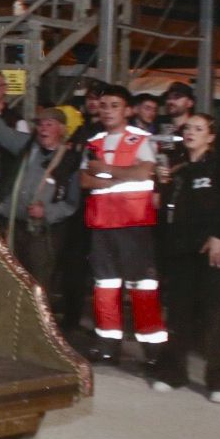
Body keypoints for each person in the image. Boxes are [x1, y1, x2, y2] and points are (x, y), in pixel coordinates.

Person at [78, 84, 167, 370]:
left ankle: (153, 348)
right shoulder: (94, 141)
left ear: (128, 110)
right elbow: (84, 180)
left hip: (133, 222)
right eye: (104, 105)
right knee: (105, 285)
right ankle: (108, 346)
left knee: (142, 285)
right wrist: (111, 177)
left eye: (114, 105)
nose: (107, 111)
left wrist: (106, 172)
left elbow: (144, 171)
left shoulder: (141, 139)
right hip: (102, 223)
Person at [153, 114, 220, 401]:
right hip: (180, 249)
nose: (191, 132)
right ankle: (172, 372)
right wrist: (162, 186)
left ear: (211, 136)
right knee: (178, 313)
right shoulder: (178, 166)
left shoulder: (219, 165)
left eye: (199, 128)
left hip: (211, 249)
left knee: (216, 314)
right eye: (188, 127)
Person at [0, 99, 81, 314]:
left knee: (38, 282)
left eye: (49, 124)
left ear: (61, 129)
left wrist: (47, 212)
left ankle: (38, 329)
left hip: (41, 232)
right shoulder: (27, 146)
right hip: (14, 226)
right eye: (41, 124)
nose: (43, 128)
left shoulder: (70, 161)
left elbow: (72, 203)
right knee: (10, 276)